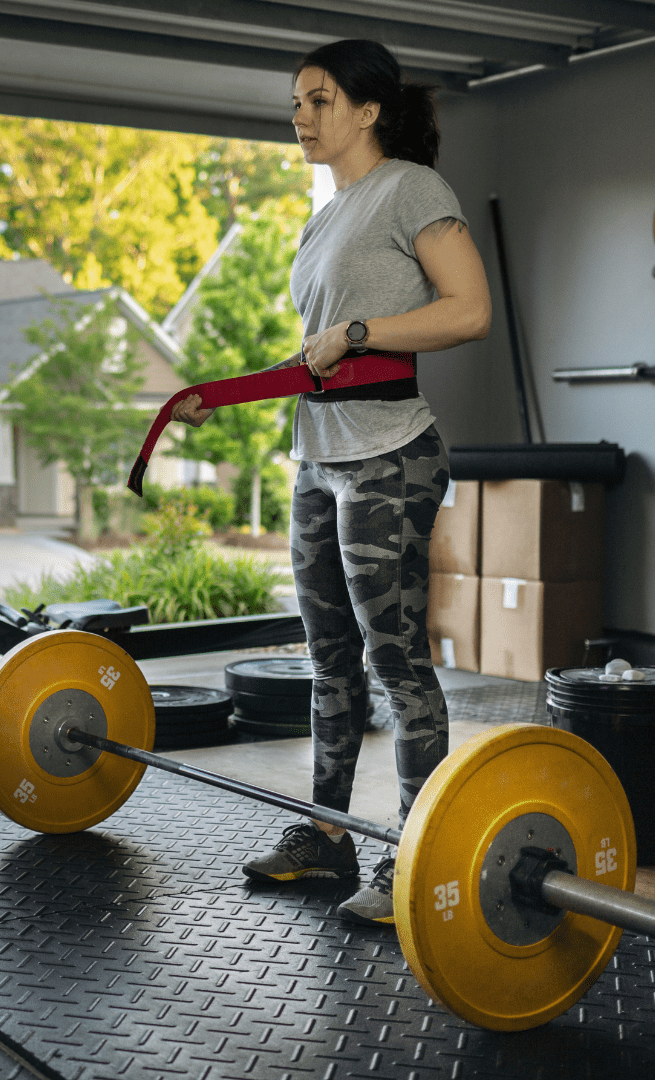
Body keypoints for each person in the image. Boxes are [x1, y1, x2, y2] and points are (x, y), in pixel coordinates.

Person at [172, 38, 491, 926]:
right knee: (328, 661)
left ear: (368, 109)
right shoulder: (328, 215)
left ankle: (414, 856)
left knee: (395, 663)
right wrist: (224, 396)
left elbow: (468, 311)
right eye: (297, 103)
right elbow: (320, 353)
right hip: (319, 457)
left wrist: (357, 329)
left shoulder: (412, 189)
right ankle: (326, 835)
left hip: (391, 453)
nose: (301, 116)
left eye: (318, 100)